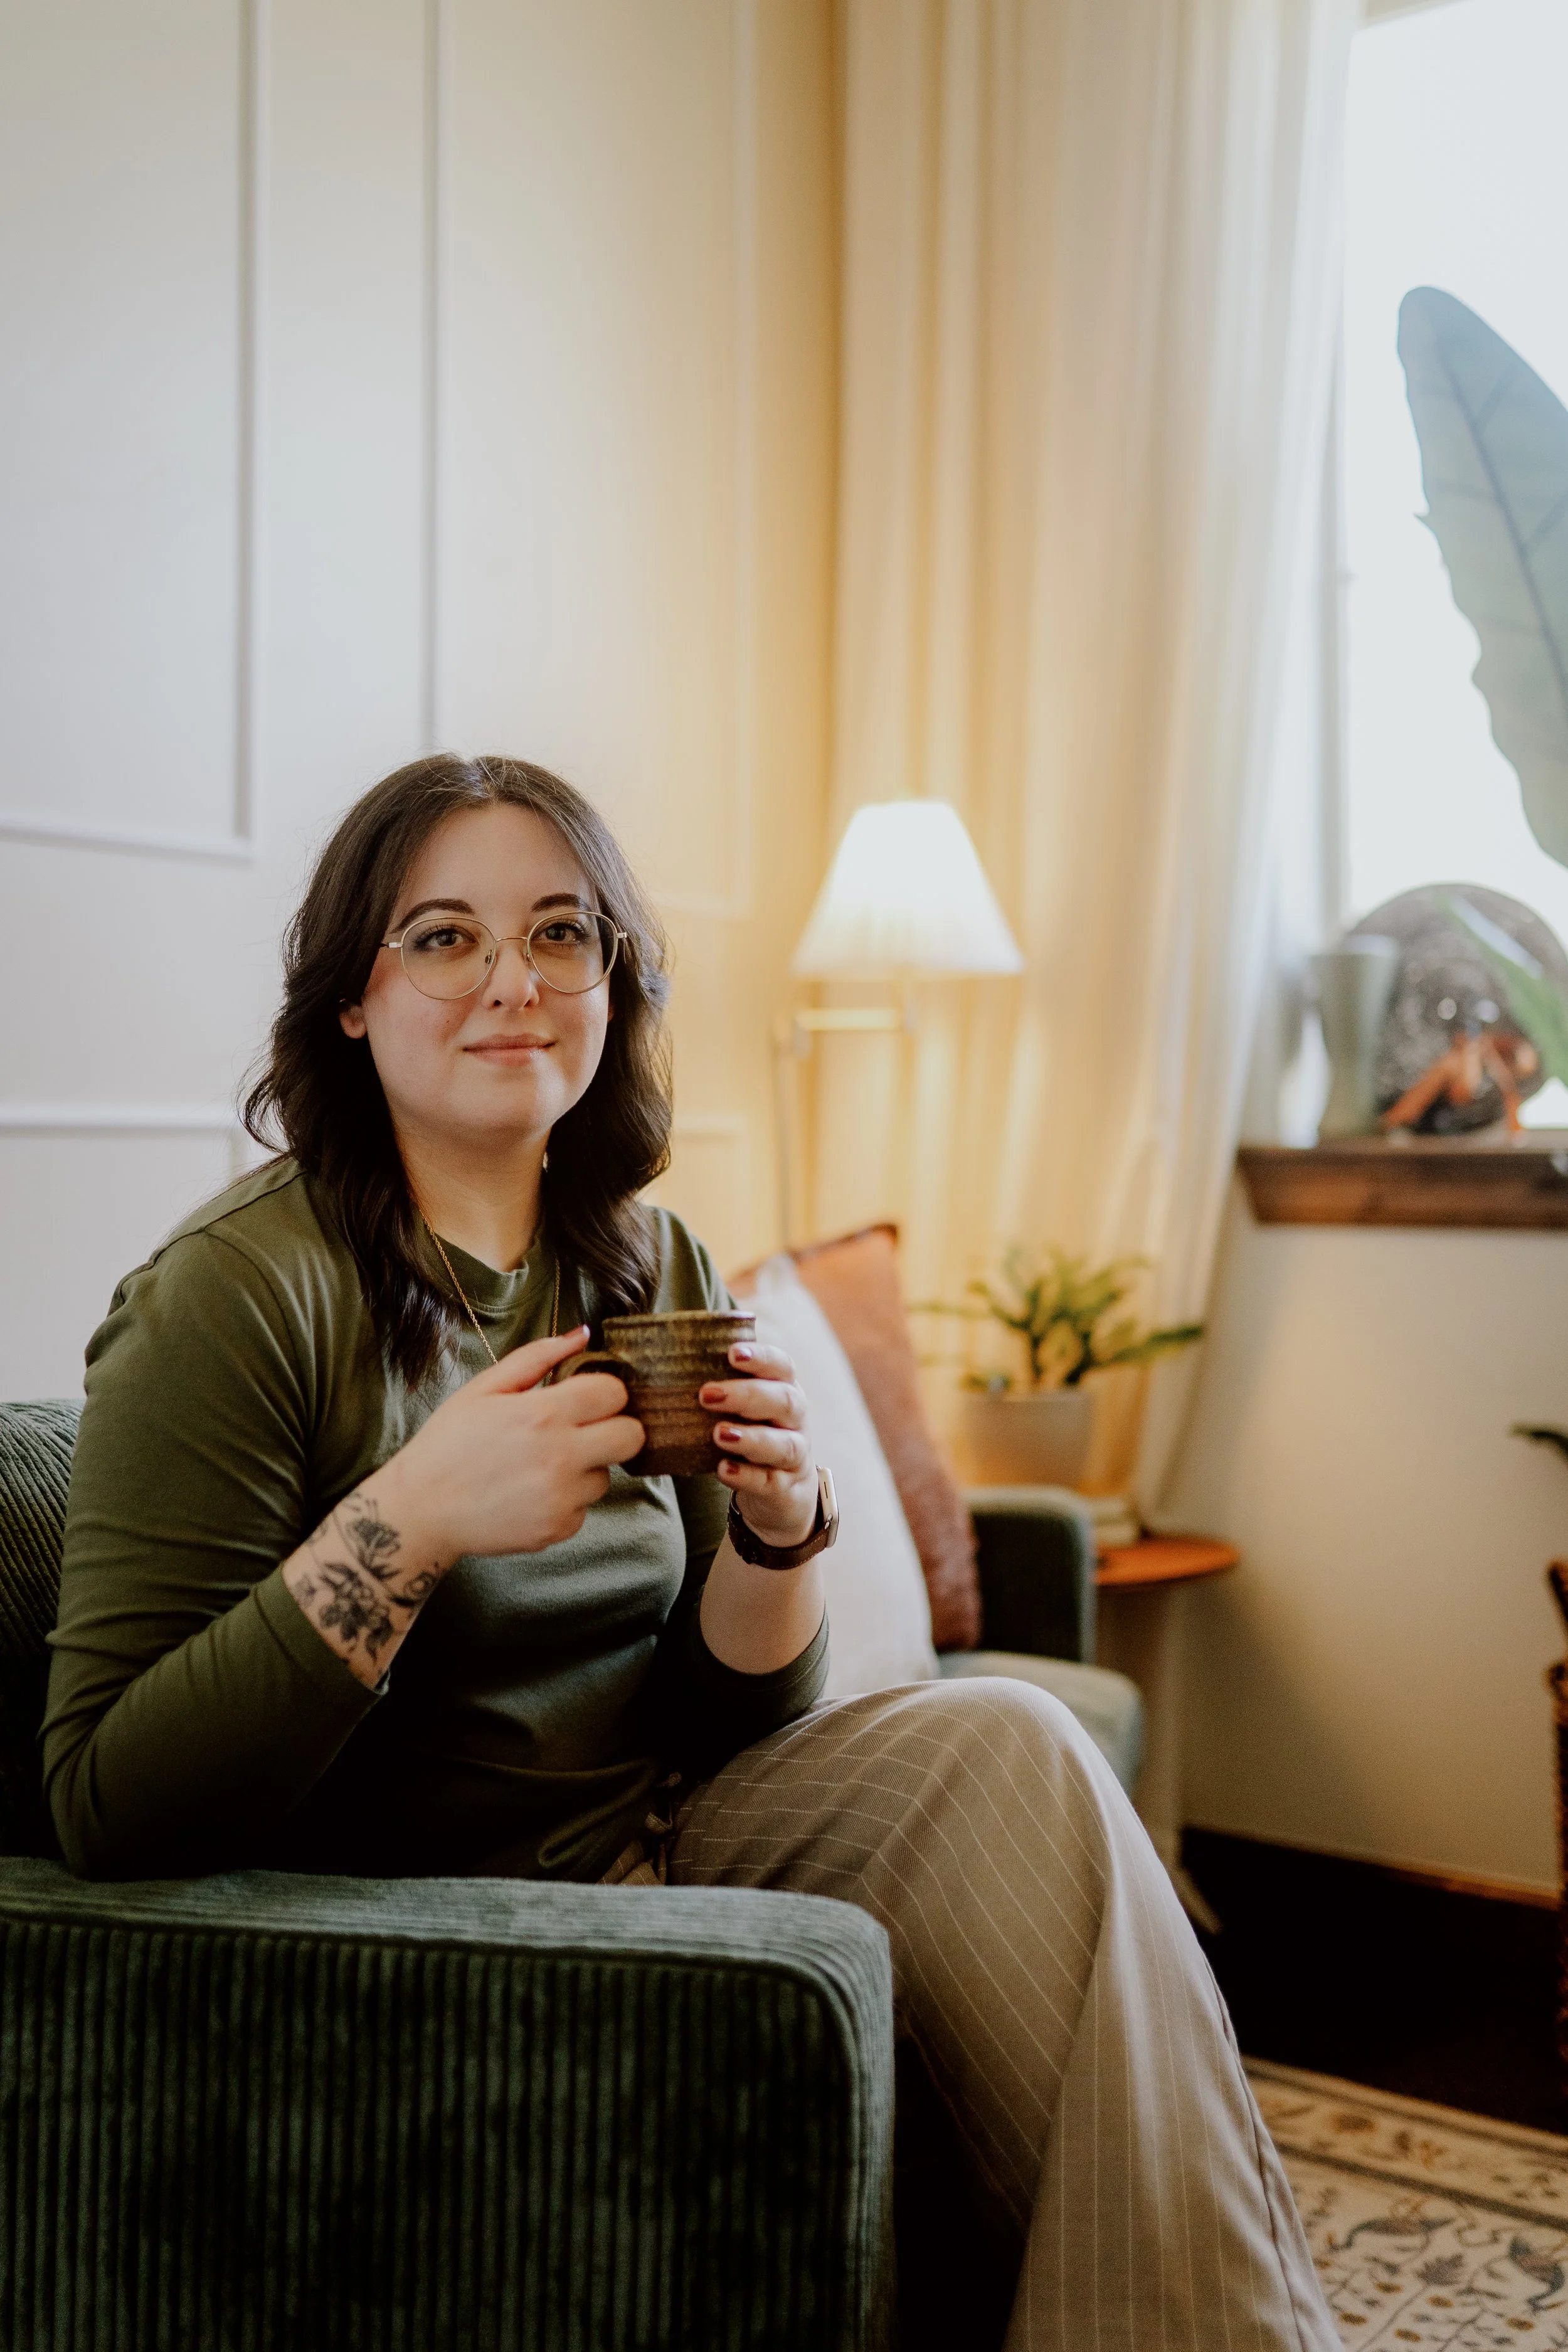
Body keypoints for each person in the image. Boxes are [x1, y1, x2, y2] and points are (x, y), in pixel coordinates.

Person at [43, 753, 1338, 2351]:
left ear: (613, 984)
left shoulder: (644, 1259)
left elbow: (725, 1719)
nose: (512, 980)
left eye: (562, 934)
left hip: (665, 1837)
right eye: (441, 937)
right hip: (427, 1914)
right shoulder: (242, 1296)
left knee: (1012, 1739)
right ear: (350, 1005)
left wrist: (784, 1533)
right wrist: (412, 1519)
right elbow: (106, 1798)